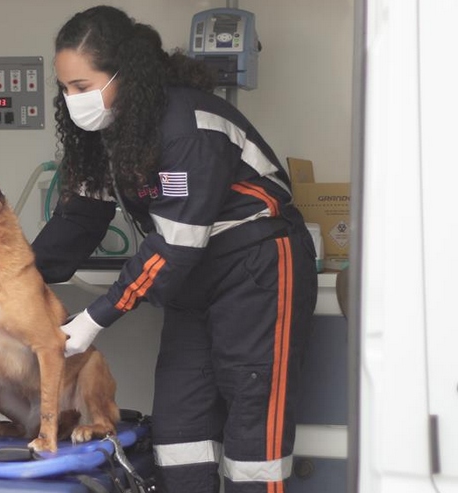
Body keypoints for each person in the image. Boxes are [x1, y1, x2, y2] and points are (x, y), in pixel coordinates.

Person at [32, 6, 318, 493]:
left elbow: (177, 243)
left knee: (253, 434)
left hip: (258, 269)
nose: (72, 100)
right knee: (179, 428)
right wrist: (18, 284)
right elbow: (79, 220)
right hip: (191, 280)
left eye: (82, 86)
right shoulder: (109, 136)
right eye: (64, 88)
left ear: (125, 73)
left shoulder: (185, 125)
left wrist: (93, 318)